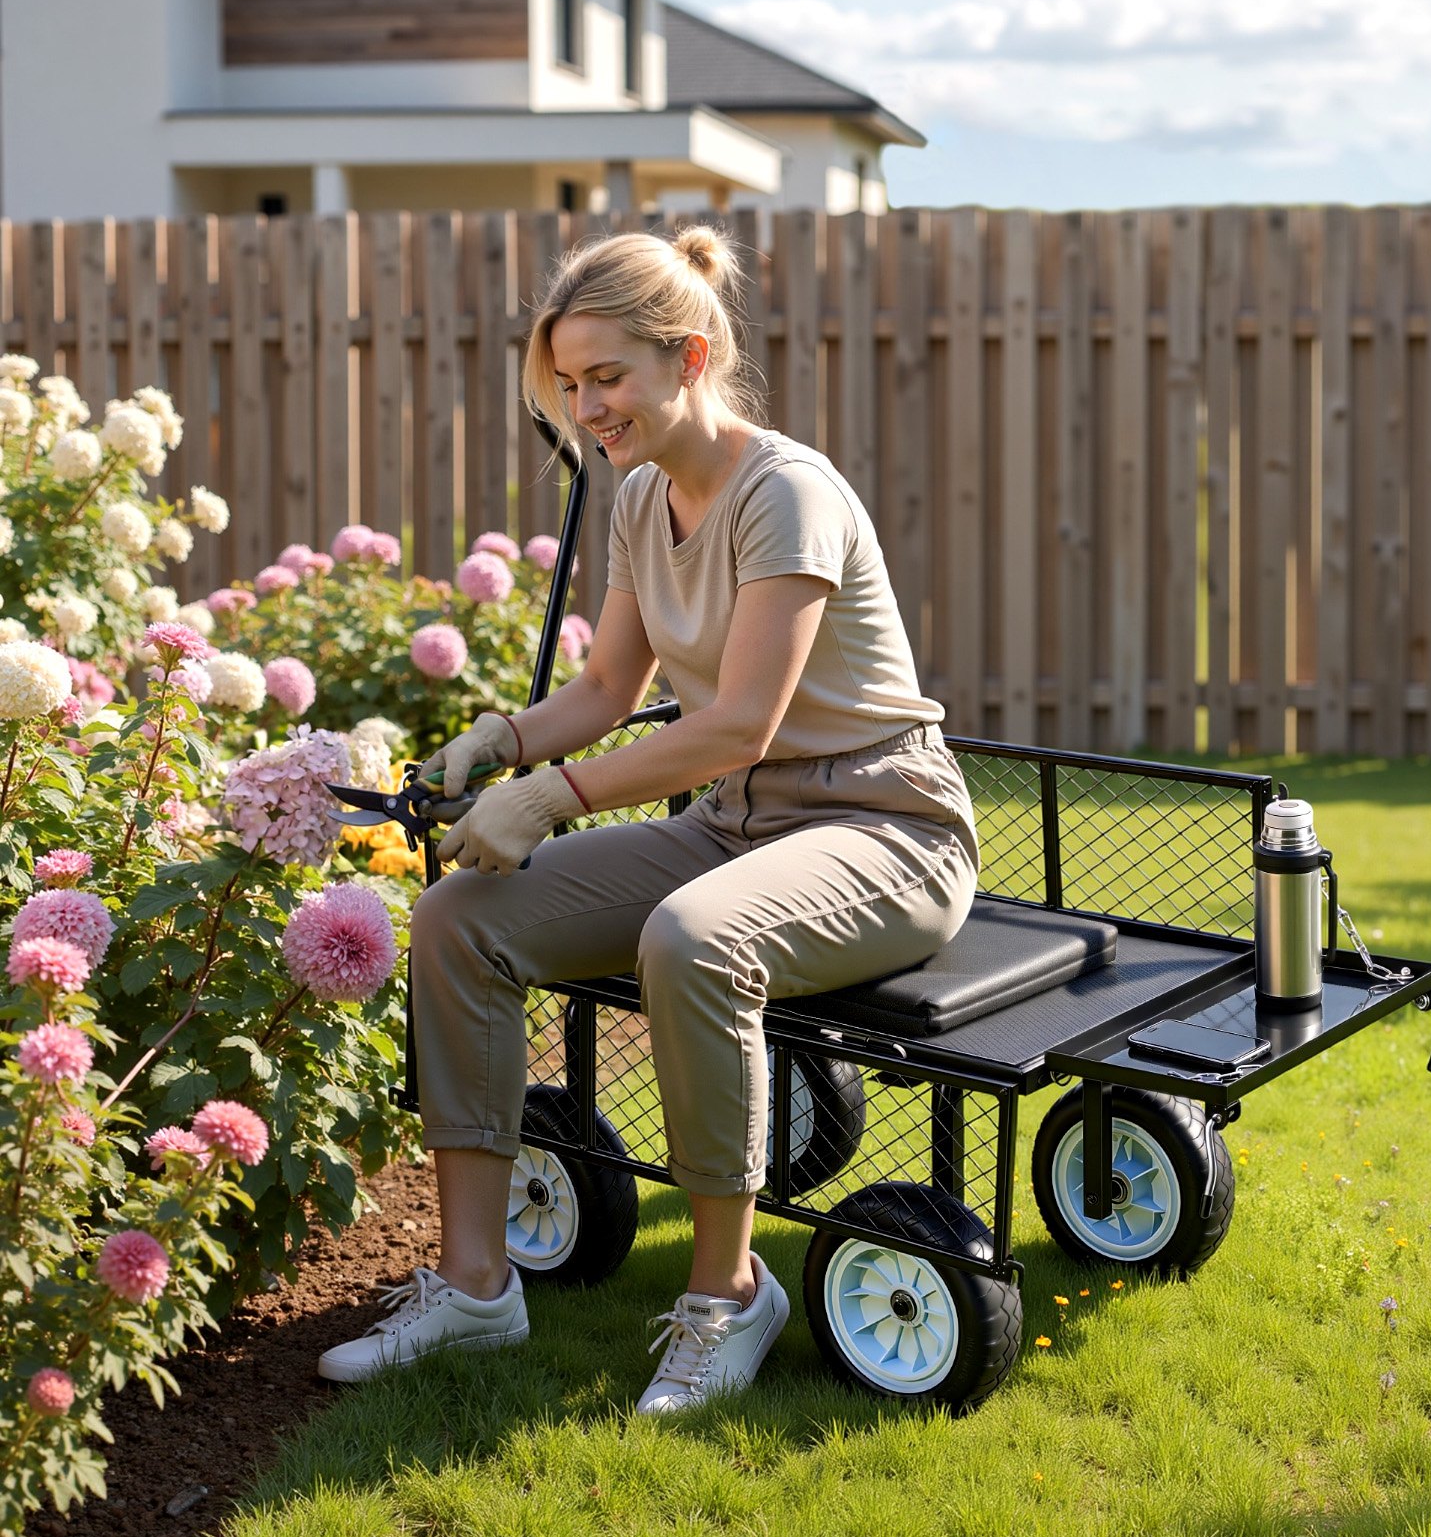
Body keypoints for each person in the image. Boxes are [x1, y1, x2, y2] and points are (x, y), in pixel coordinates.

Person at [317, 225, 981, 1413]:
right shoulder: (635, 501)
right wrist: (494, 745)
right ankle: (475, 1292)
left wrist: (547, 798)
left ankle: (728, 1296)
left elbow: (736, 721)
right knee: (460, 916)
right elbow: (604, 693)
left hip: (886, 828)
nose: (586, 406)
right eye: (568, 385)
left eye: (605, 377)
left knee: (694, 937)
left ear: (688, 354)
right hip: (738, 826)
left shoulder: (787, 494)